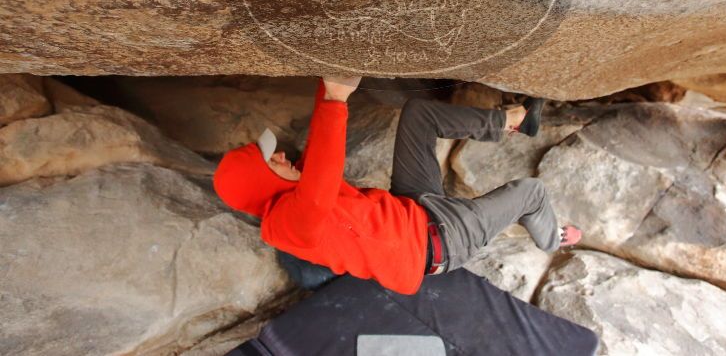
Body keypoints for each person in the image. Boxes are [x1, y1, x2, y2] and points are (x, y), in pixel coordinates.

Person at [213, 76, 581, 295]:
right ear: (261, 183)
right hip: (444, 242)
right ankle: (553, 238)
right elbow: (321, 184)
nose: (280, 156)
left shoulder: (293, 196)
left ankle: (512, 121)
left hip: (415, 210)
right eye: (270, 161)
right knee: (531, 193)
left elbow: (317, 155)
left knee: (419, 115)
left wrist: (329, 83)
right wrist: (336, 100)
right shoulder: (285, 227)